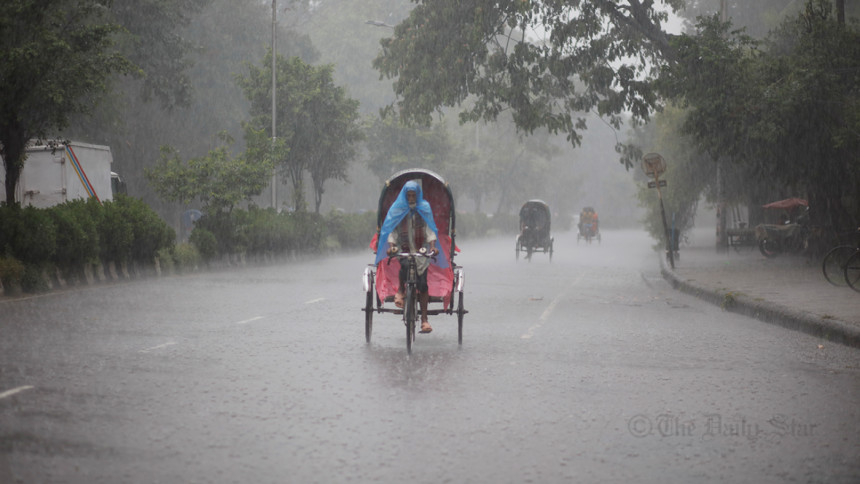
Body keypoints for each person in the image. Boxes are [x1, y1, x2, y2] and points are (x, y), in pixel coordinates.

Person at [375, 180, 445, 334]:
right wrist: (392, 245)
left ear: (418, 195)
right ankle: (400, 291)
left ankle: (425, 320)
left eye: (414, 195)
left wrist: (432, 246)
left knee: (423, 284)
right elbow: (392, 229)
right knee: (404, 266)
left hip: (421, 251)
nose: (411, 198)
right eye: (409, 195)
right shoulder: (398, 208)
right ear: (405, 196)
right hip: (404, 248)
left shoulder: (424, 208)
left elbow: (430, 229)